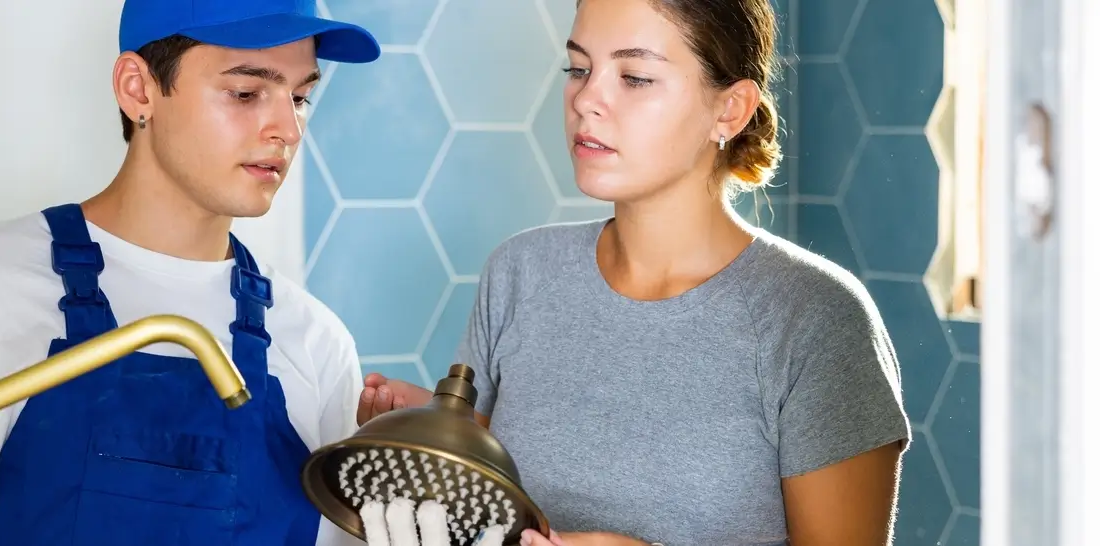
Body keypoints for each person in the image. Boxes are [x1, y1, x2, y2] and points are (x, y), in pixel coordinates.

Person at [358, 0, 910, 545]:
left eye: (636, 77)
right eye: (578, 68)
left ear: (731, 110)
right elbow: (484, 500)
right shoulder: (520, 274)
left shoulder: (815, 318)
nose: (587, 99)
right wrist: (430, 435)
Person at [0, 1, 382, 545]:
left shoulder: (317, 343)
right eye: (245, 93)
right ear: (137, 90)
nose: (287, 128)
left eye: (301, 96)